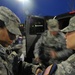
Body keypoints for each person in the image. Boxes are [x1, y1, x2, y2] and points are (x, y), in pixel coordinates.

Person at [0, 6, 41, 75]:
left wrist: (35, 70)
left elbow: (17, 63)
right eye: (11, 32)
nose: (14, 37)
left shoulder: (6, 49)